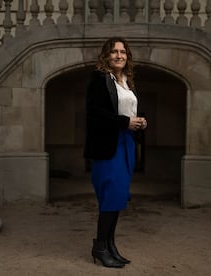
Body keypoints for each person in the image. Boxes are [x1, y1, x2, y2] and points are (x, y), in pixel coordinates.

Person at [84, 37, 147, 268]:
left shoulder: (126, 81)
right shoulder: (99, 79)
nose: (119, 55)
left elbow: (128, 113)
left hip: (127, 143)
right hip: (108, 146)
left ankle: (110, 245)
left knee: (119, 197)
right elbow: (94, 113)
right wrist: (125, 122)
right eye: (114, 52)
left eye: (123, 52)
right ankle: (100, 247)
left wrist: (139, 123)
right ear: (106, 56)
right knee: (111, 196)